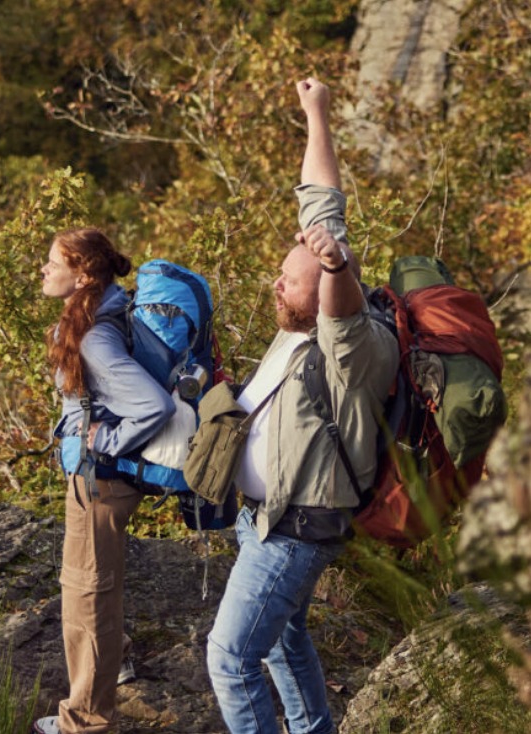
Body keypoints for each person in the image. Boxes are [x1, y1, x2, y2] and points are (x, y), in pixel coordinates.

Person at [204, 78, 398, 734]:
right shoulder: (299, 319)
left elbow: (337, 296)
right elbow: (322, 201)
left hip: (295, 530)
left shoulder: (355, 345)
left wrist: (336, 269)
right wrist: (315, 112)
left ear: (321, 290)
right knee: (285, 638)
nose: (275, 283)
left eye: (288, 279)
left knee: (230, 659)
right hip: (263, 519)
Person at [33, 228, 177, 734]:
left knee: (87, 598)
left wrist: (103, 439)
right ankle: (115, 668)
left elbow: (153, 406)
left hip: (100, 484)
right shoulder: (94, 314)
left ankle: (86, 723)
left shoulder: (94, 337)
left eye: (54, 262)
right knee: (93, 590)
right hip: (99, 482)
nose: (44, 269)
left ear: (84, 273)